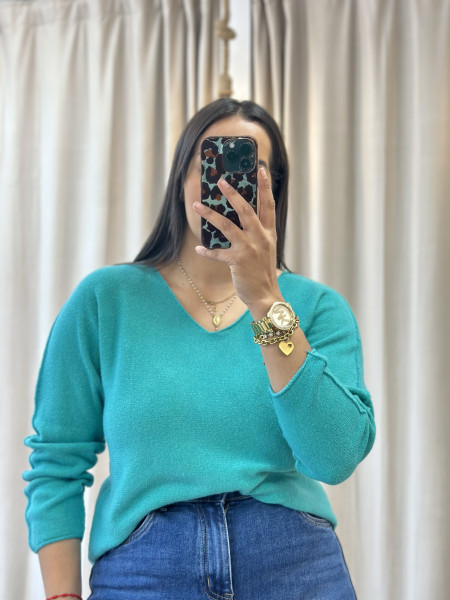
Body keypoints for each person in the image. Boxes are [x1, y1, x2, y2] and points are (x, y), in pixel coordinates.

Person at [23, 98, 376, 600]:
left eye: (249, 168)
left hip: (291, 563)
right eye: (212, 165)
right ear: (182, 179)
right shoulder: (106, 300)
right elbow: (57, 458)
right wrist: (62, 595)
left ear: (273, 187)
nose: (228, 185)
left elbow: (334, 456)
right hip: (144, 572)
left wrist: (266, 301)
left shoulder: (316, 309)